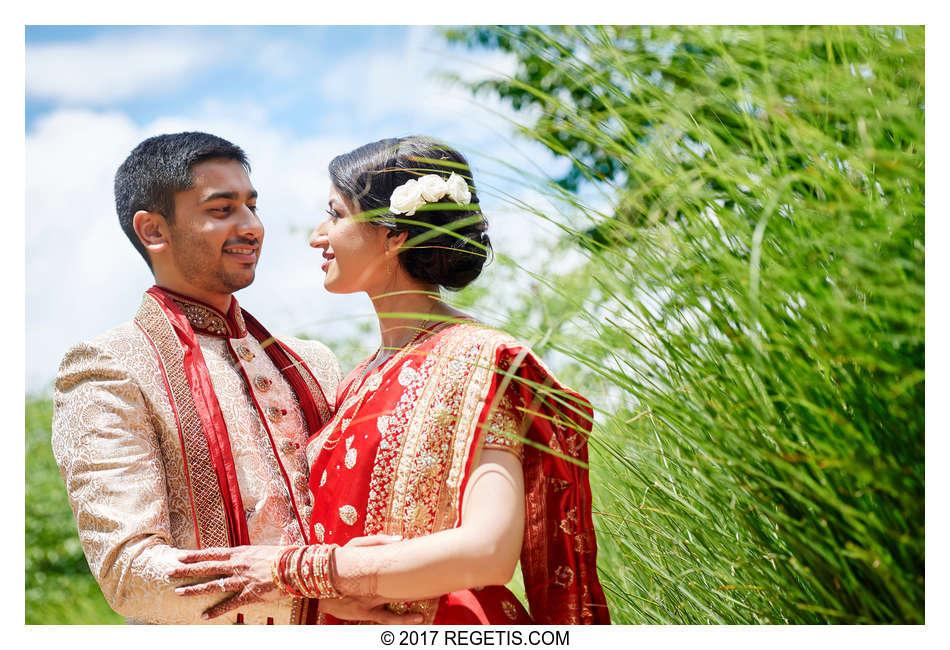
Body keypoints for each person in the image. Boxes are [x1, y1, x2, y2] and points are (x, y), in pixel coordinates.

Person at [170, 136, 611, 624]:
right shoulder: (355, 379)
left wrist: (298, 570)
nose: (318, 235)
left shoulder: (479, 359)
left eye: (336, 214)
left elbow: (488, 551)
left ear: (393, 234)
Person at [52, 132, 412, 625]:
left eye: (252, 205)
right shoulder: (110, 366)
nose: (251, 226)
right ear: (154, 230)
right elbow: (129, 571)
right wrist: (310, 592)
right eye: (222, 210)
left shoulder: (310, 362)